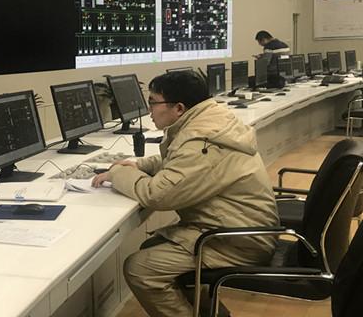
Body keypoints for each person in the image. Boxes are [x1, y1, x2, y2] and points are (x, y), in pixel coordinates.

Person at [92, 71, 279, 317]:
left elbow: (158, 195)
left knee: (141, 269)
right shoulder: (211, 122)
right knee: (152, 245)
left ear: (179, 108)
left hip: (237, 241)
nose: (149, 110)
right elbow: (182, 162)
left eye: (152, 102)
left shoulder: (202, 141)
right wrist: (140, 166)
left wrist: (118, 174)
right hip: (238, 227)